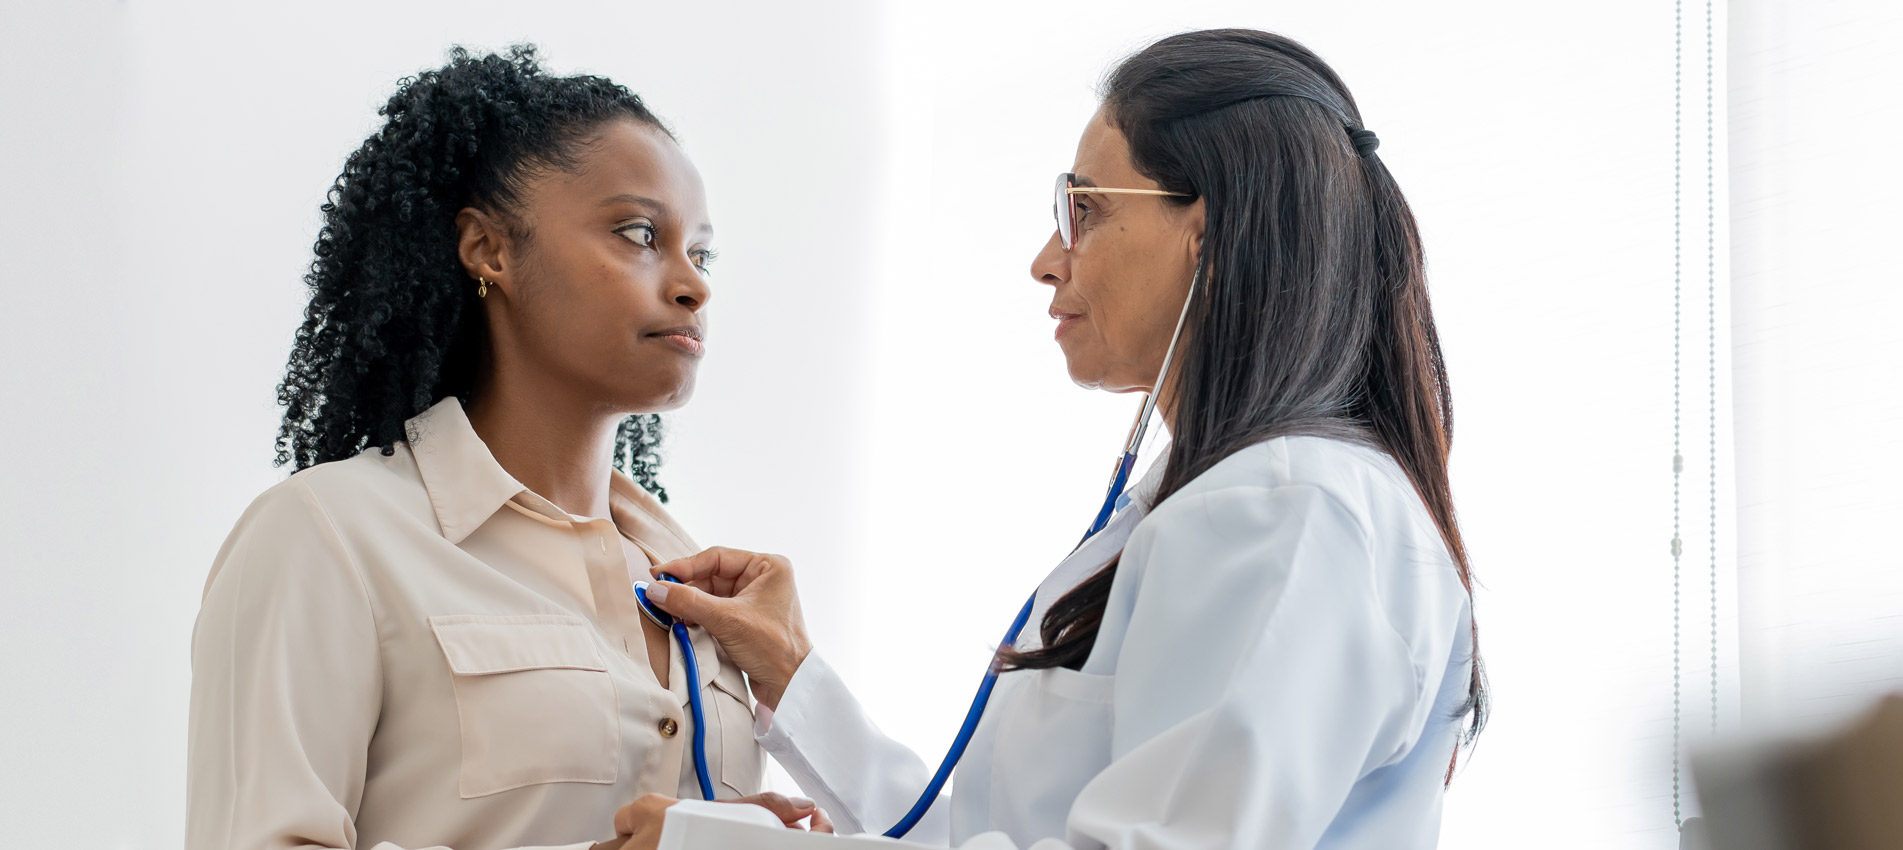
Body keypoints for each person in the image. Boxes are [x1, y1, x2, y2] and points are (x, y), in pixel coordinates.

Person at [617, 28, 1487, 850]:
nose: (1045, 258)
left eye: (1085, 209)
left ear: (1210, 232)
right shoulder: (1233, 503)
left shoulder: (1289, 512)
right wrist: (792, 675)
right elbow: (991, 836)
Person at [185, 46, 828, 850]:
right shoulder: (327, 536)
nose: (692, 284)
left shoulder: (702, 593)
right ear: (489, 250)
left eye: (701, 254)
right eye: (639, 234)